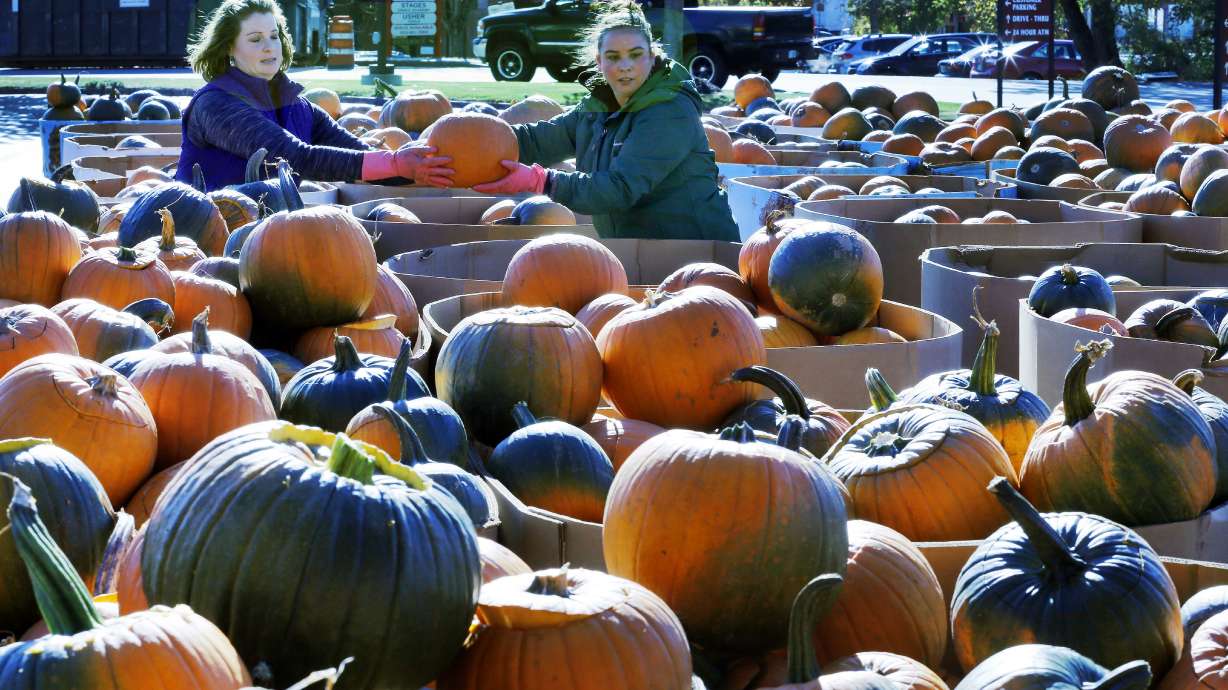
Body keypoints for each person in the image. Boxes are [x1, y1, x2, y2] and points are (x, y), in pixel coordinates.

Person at [473, 0, 739, 241]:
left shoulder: (669, 110)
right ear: (599, 62)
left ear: (652, 57)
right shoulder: (597, 108)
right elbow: (537, 141)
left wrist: (541, 181)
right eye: (613, 57)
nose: (626, 66)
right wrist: (473, 143)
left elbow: (620, 187)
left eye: (636, 54)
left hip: (697, 251)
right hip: (637, 251)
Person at [175, 0, 452, 190]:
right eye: (255, 39)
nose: (269, 47)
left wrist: (420, 172)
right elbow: (292, 157)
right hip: (203, 234)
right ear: (228, 49)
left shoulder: (298, 107)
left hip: (268, 235)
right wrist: (394, 162)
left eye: (274, 36)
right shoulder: (215, 104)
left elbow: (357, 156)